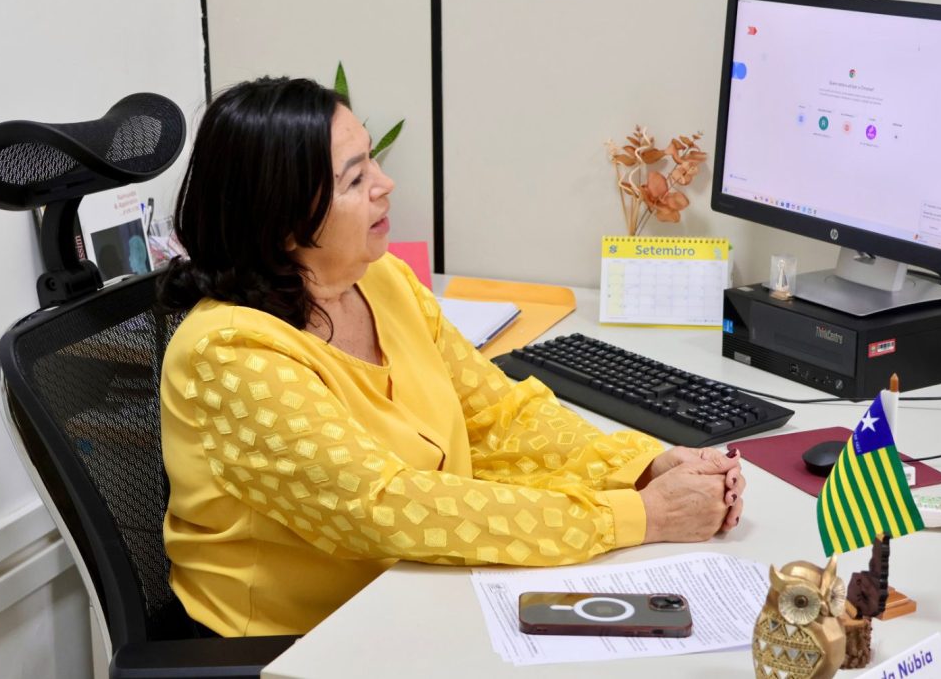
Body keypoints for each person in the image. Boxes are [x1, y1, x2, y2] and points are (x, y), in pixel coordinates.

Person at [158, 76, 745, 638]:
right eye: (356, 179)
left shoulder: (381, 279)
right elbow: (386, 508)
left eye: (373, 160)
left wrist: (642, 468)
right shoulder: (230, 355)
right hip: (302, 642)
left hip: (422, 592)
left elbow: (497, 419)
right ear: (281, 218)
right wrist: (640, 517)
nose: (386, 184)